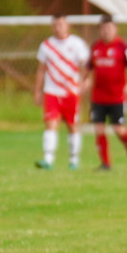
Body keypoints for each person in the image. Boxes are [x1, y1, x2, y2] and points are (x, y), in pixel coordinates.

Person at [34, 14, 90, 170]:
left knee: (72, 126)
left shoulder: (77, 44)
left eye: (61, 24)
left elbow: (87, 66)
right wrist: (37, 91)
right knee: (51, 124)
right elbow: (41, 70)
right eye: (55, 24)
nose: (58, 27)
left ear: (67, 25)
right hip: (51, 91)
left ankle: (74, 159)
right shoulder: (46, 45)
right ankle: (48, 159)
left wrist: (85, 81)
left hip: (71, 91)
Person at [86, 14, 127, 171]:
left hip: (116, 97)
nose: (106, 31)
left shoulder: (123, 47)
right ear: (99, 30)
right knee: (99, 129)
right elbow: (89, 68)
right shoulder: (95, 47)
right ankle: (105, 164)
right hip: (98, 97)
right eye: (103, 29)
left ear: (115, 29)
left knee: (119, 130)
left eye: (109, 28)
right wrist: (85, 80)